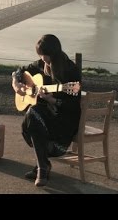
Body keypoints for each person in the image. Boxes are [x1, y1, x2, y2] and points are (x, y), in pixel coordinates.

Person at [11, 34, 81, 187]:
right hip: (45, 119)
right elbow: (19, 71)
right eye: (40, 55)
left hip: (63, 124)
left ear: (54, 54)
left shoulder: (70, 70)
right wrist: (17, 85)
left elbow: (74, 105)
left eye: (44, 55)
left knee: (33, 114)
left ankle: (42, 168)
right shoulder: (40, 66)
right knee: (32, 116)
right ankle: (43, 165)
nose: (42, 58)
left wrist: (53, 100)